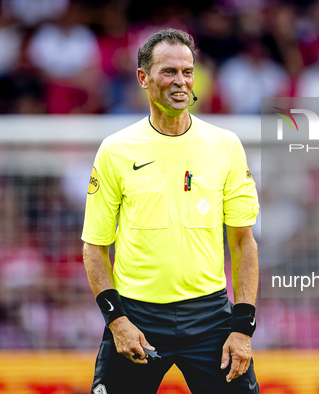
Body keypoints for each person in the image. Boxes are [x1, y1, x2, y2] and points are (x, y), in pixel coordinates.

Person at [81, 29, 260, 394]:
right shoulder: (115, 150)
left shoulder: (225, 146)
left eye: (188, 71)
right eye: (169, 72)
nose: (181, 81)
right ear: (143, 78)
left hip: (210, 317)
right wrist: (118, 322)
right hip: (137, 317)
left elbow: (243, 242)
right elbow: (94, 247)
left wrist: (242, 328)